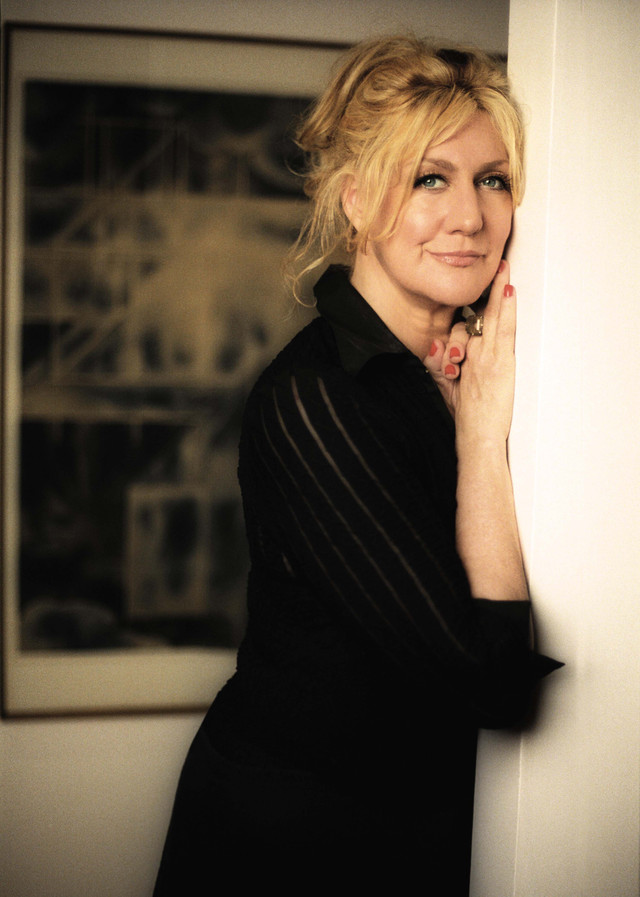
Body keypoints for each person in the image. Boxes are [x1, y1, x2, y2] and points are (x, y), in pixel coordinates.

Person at [153, 35, 561, 894]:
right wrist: (479, 442)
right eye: (430, 178)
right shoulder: (316, 398)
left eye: (492, 179)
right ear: (357, 200)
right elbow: (492, 683)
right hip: (290, 842)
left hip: (412, 831)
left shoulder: (451, 376)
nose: (470, 216)